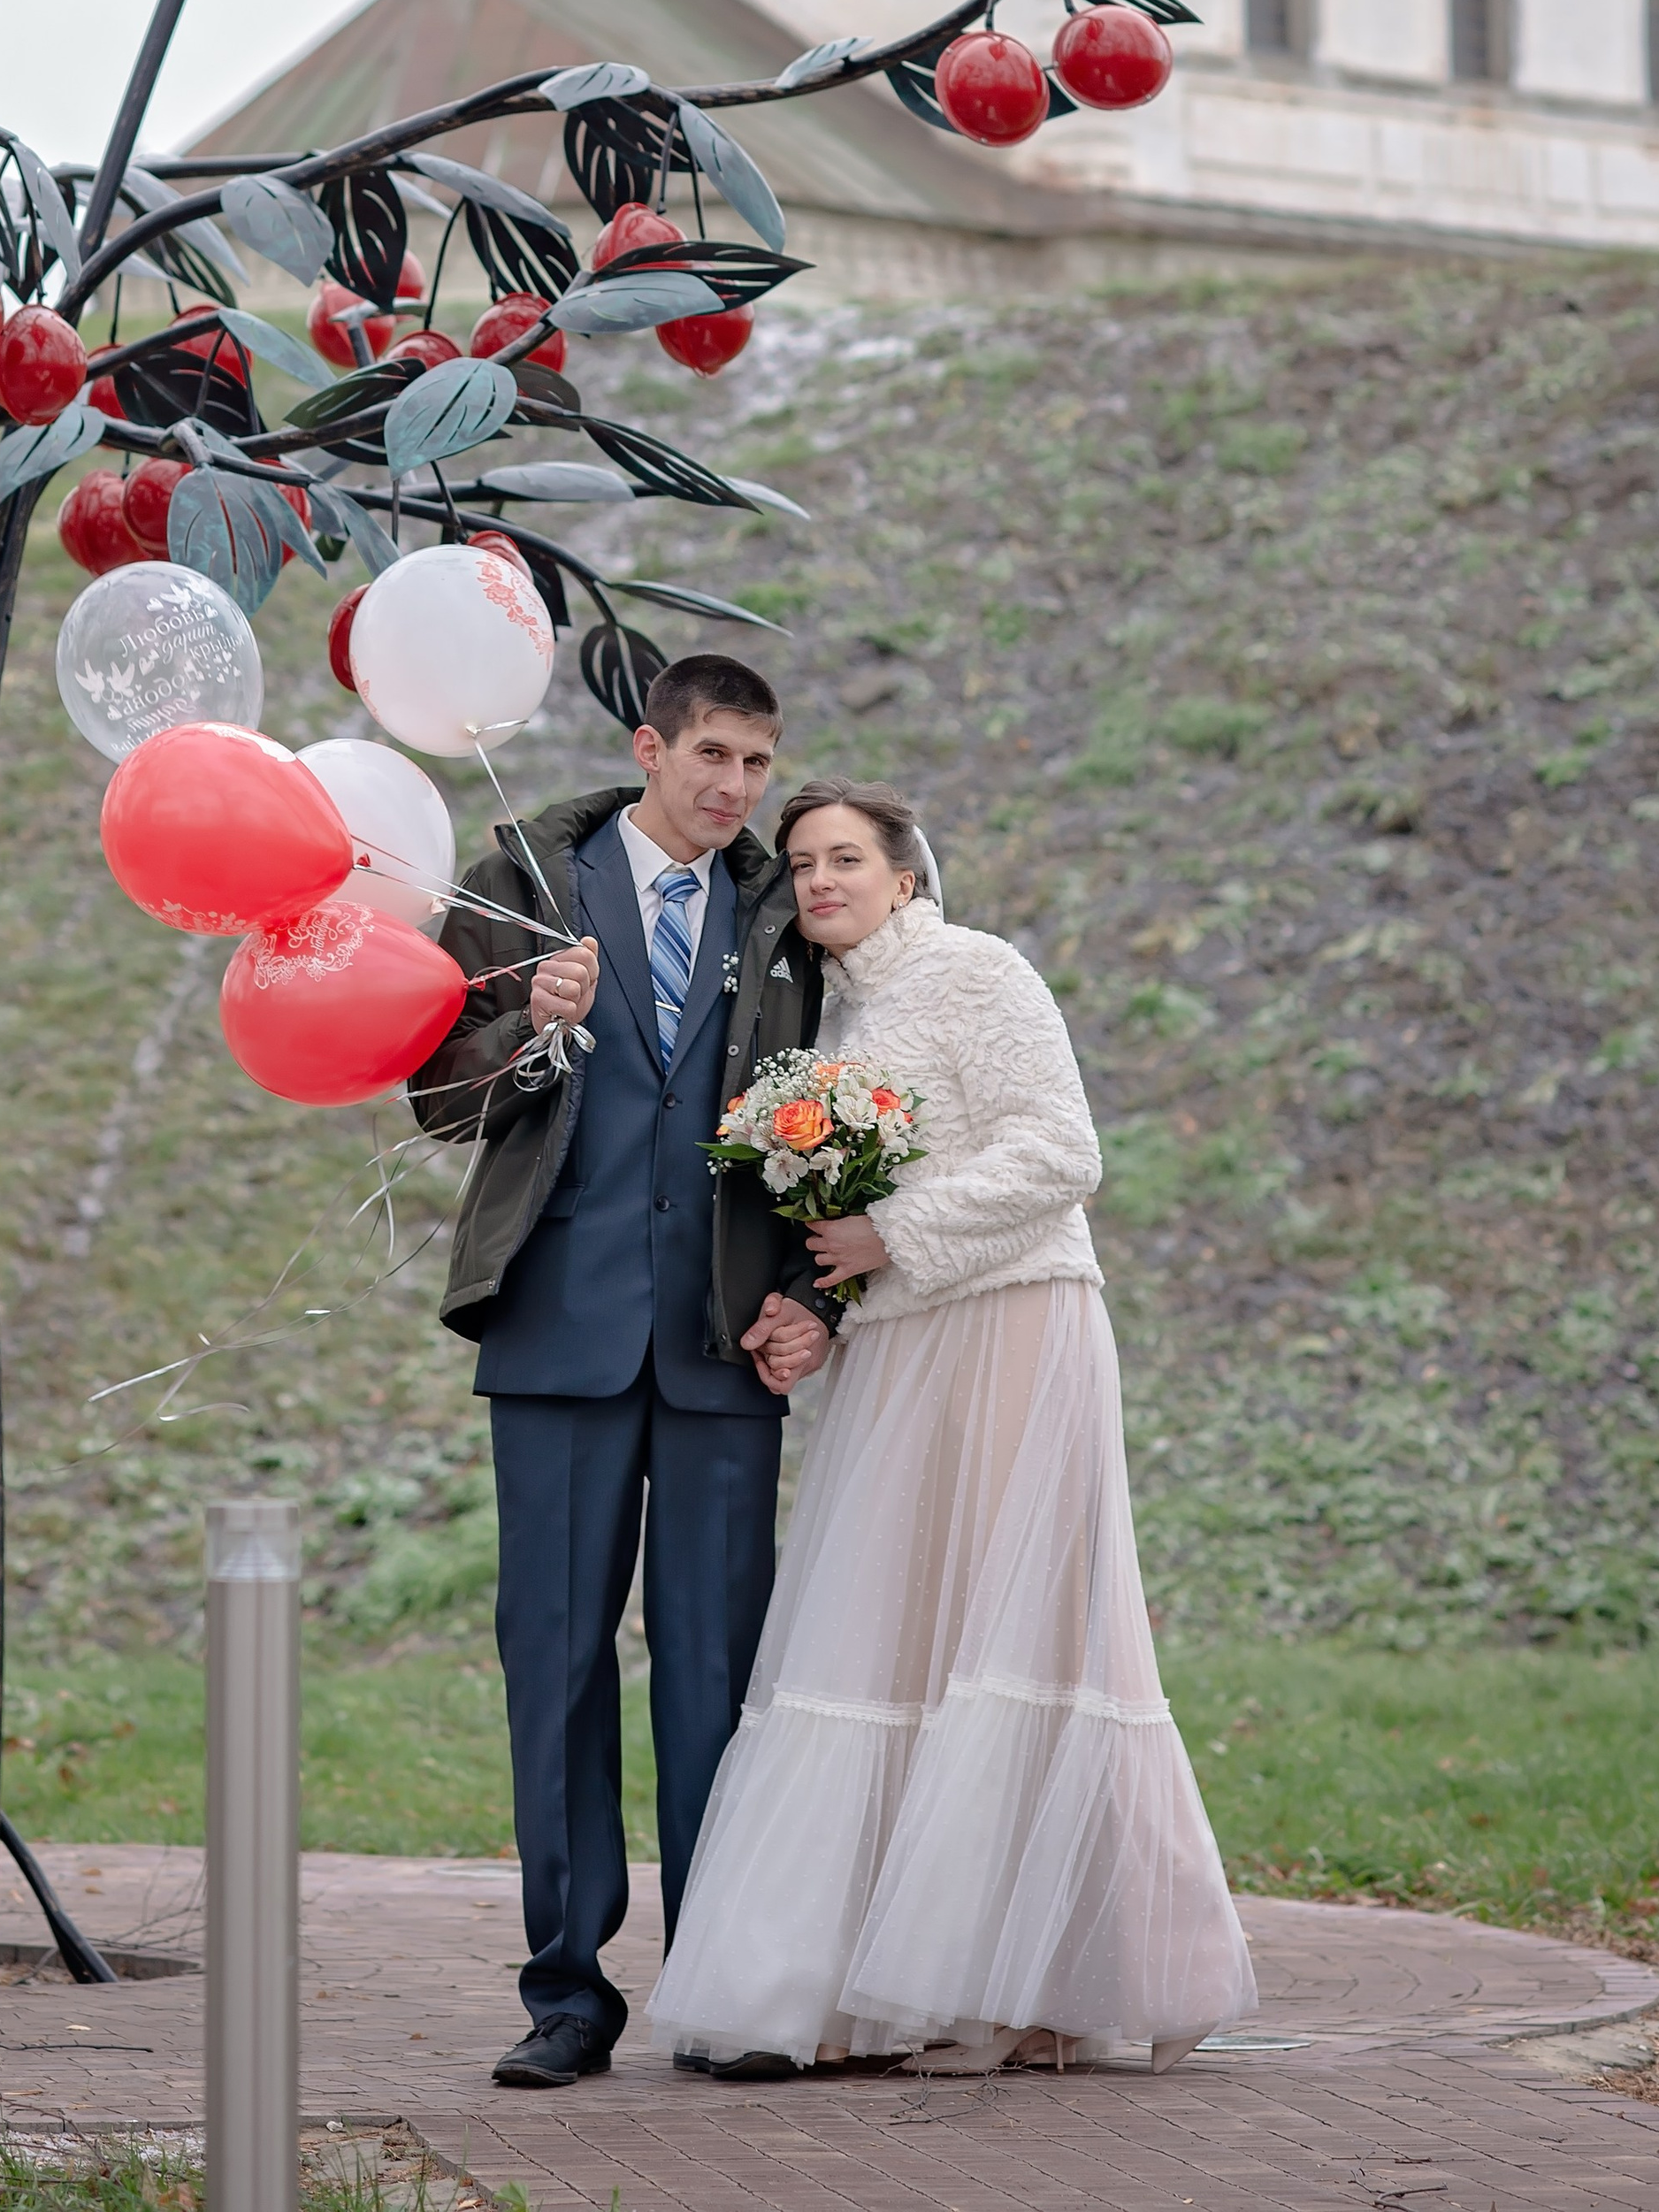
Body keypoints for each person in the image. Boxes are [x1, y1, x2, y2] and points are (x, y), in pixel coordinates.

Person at [646, 777, 1257, 2078]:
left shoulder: (982, 974)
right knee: (901, 1639)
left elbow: (1063, 1154)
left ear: (906, 876)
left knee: (1017, 1639)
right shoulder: (830, 1015)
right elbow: (848, 1207)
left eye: (847, 858)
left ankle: (1040, 1985)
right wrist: (824, 1302)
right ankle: (902, 1977)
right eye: (804, 862)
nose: (820, 880)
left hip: (1019, 1330)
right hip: (906, 1349)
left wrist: (889, 1235)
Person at [408, 654, 834, 2092]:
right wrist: (530, 1030)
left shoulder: (789, 911)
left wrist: (807, 1292)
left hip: (724, 1342)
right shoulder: (524, 877)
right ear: (650, 744)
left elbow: (845, 1109)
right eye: (713, 755)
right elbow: (435, 1089)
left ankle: (717, 1988)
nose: (734, 789)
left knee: (717, 1674)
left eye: (758, 764)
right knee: (558, 1666)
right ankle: (566, 1993)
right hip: (560, 1333)